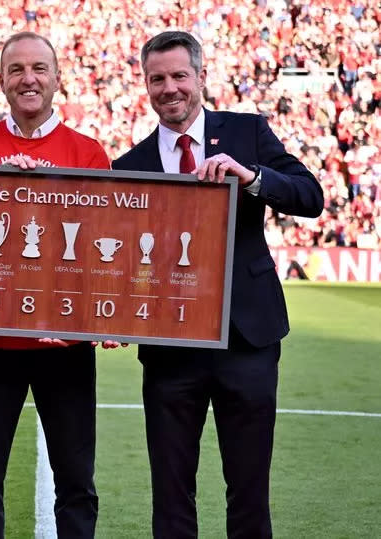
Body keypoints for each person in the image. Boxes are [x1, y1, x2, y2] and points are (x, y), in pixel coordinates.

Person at [111, 31, 324, 538]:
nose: (170, 88)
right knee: (171, 490)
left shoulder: (248, 133)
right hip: (170, 347)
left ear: (201, 77)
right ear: (145, 85)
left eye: (179, 76)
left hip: (247, 337)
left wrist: (252, 179)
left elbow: (310, 196)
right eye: (157, 79)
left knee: (249, 488)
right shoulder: (128, 165)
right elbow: (121, 261)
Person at [0, 32, 111, 539]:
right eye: (16, 69)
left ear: (58, 78)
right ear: (1, 80)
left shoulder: (87, 153)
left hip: (63, 341)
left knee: (76, 482)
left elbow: (102, 249)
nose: (28, 79)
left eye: (39, 68)